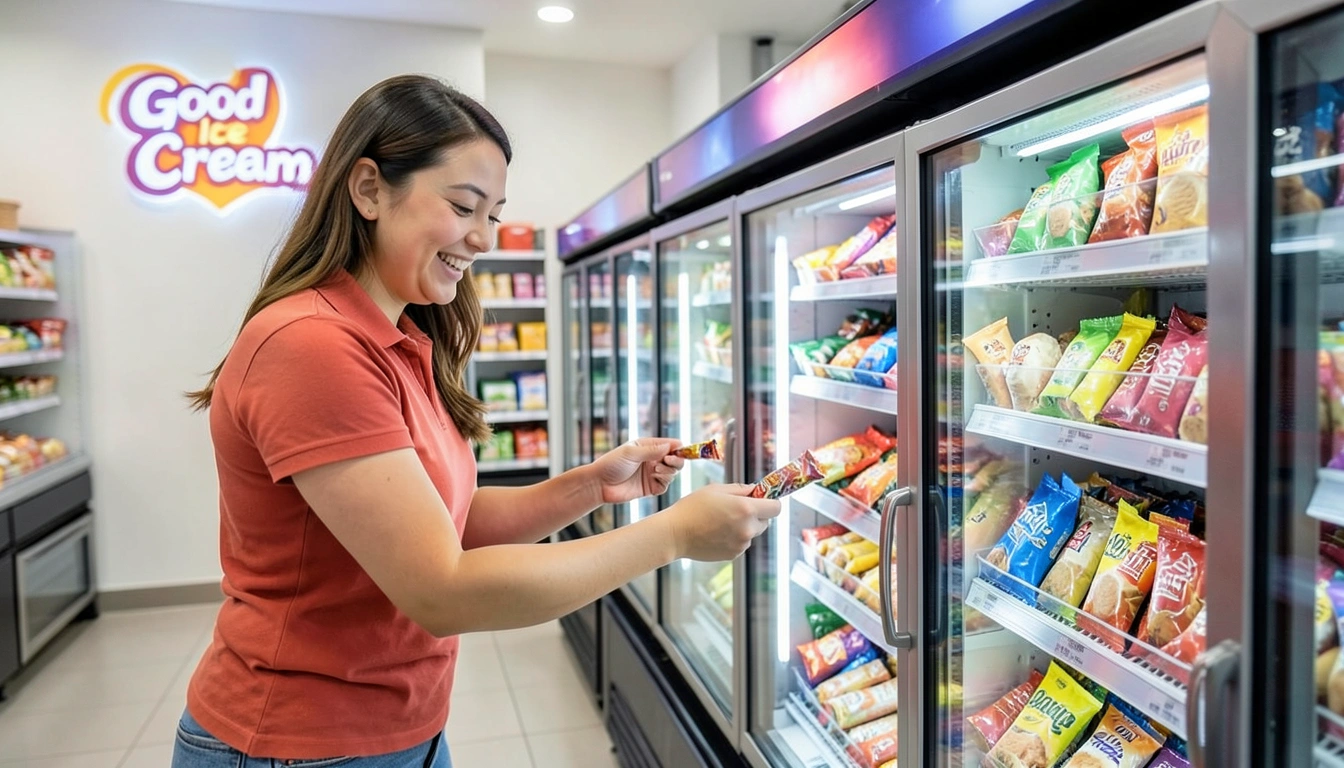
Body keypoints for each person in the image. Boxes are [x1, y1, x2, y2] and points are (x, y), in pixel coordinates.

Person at [171, 74, 780, 768]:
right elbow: (443, 590)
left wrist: (589, 486)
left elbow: (443, 522)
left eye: (495, 213)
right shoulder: (313, 345)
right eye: (466, 206)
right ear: (368, 189)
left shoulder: (395, 339)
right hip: (301, 742)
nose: (485, 237)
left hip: (395, 727)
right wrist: (673, 535)